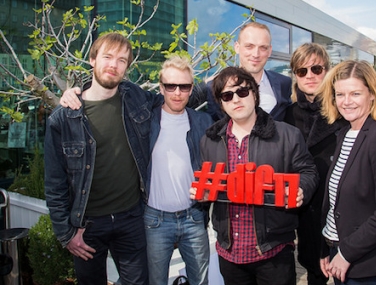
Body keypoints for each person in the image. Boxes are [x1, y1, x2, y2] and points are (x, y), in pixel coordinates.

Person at [44, 32, 163, 285]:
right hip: (86, 225)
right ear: (92, 60)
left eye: (122, 60)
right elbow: (54, 183)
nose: (114, 65)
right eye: (107, 57)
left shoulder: (135, 98)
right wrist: (66, 234)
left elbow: (175, 98)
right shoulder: (63, 118)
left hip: (131, 218)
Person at [190, 66, 318, 285]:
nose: (236, 100)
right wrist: (201, 194)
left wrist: (300, 190)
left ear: (254, 93)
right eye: (227, 96)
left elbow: (308, 171)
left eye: (242, 91)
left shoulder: (287, 134)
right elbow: (207, 181)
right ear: (221, 103)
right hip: (229, 253)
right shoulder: (209, 141)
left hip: (273, 251)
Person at [317, 60, 376, 285]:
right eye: (340, 94)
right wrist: (326, 247)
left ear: (373, 94)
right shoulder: (345, 134)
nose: (346, 102)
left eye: (355, 93)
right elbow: (335, 200)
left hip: (365, 263)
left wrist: (346, 253)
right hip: (337, 253)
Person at [144, 55, 213, 285]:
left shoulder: (203, 121)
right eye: (170, 86)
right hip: (155, 220)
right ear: (161, 87)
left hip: (193, 217)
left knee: (200, 282)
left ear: (191, 88)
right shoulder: (145, 120)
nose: (177, 92)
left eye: (183, 87)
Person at [284, 43, 347, 285]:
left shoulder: (344, 109)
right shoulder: (287, 115)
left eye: (316, 68)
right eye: (302, 71)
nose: (310, 75)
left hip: (341, 211)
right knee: (314, 272)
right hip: (307, 211)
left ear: (328, 71)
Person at [205, 22, 292, 121]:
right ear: (237, 47)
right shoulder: (214, 86)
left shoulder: (283, 83)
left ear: (269, 51)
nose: (256, 54)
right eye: (249, 46)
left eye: (263, 48)